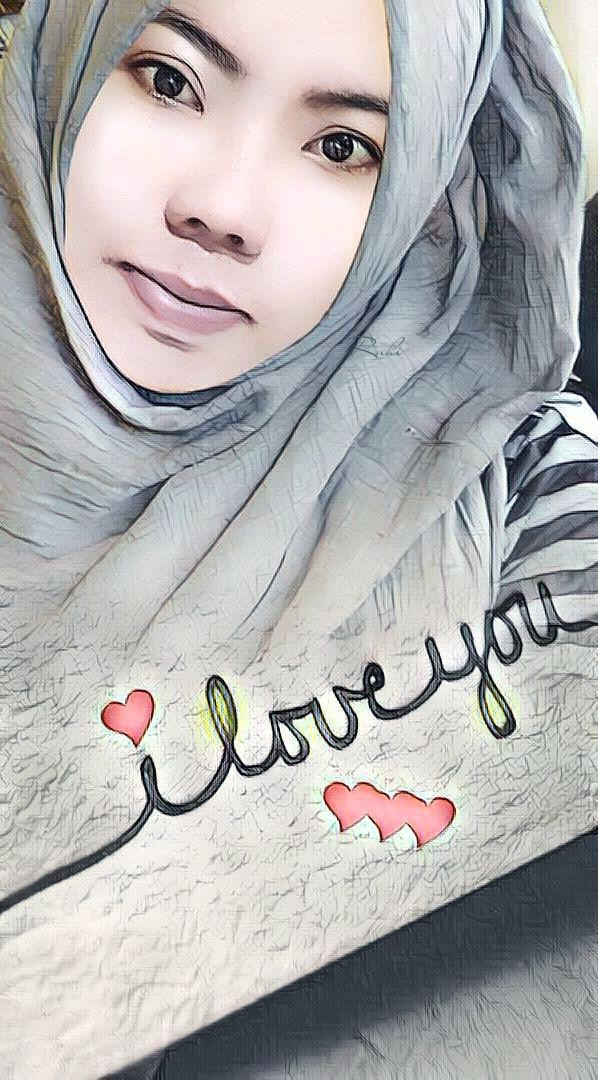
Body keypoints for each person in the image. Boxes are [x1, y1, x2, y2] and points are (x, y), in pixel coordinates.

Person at [0, 1, 596, 1076]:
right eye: (170, 81)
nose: (221, 209)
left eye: (343, 147)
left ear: (423, 197)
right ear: (68, 58)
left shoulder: (532, 488)